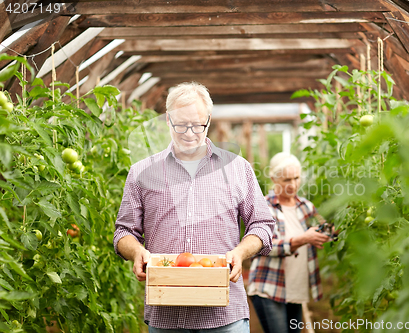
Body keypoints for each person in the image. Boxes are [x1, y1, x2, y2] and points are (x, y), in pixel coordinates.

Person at [113, 82, 275, 332]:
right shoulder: (141, 173)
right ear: (167, 120)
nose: (189, 133)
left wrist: (241, 252)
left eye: (197, 125)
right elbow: (124, 232)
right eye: (180, 125)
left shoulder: (237, 168)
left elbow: (262, 224)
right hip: (166, 313)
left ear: (208, 121)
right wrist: (135, 252)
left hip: (225, 314)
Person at [247, 152, 332, 333]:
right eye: (287, 180)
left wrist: (340, 225)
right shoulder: (264, 207)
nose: (293, 185)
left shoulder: (306, 207)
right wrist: (304, 238)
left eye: (296, 178)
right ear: (274, 179)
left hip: (296, 288)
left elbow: (327, 230)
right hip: (269, 287)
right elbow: (264, 245)